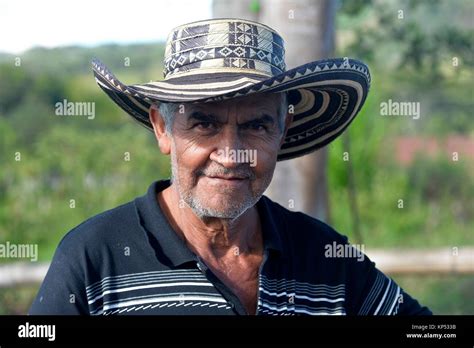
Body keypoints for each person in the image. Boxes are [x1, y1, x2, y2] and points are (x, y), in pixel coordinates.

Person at [29, 18, 431, 315]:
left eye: (256, 125)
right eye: (204, 123)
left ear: (283, 131)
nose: (231, 153)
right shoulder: (94, 257)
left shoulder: (326, 257)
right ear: (162, 129)